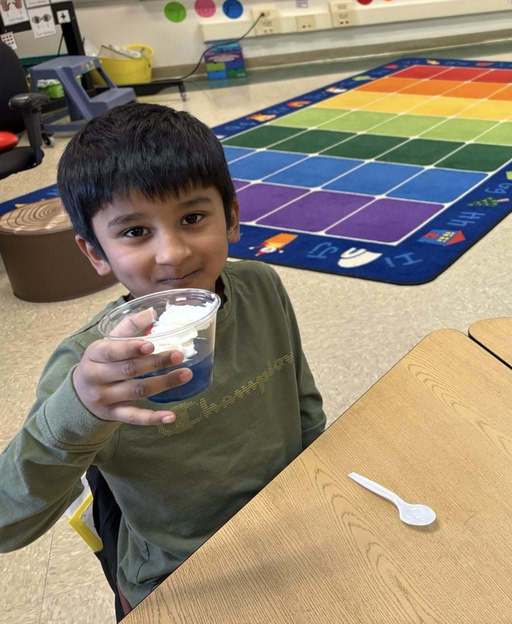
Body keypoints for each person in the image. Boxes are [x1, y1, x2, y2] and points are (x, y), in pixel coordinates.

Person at [0, 103, 326, 619]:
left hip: (290, 535)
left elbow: (303, 405)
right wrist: (80, 409)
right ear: (95, 253)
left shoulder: (263, 287)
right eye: (134, 232)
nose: (172, 253)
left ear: (233, 217)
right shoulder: (89, 367)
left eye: (193, 218)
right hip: (177, 578)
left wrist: (320, 493)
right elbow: (8, 522)